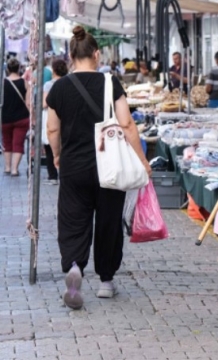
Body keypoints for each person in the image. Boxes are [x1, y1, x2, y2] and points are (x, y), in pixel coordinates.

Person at [46, 26, 152, 310]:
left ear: (70, 56)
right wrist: (142, 159)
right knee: (108, 222)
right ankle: (106, 281)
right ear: (96, 54)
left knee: (73, 221)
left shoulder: (59, 87)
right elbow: (127, 124)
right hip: (110, 167)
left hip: (73, 166)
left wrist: (56, 157)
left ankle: (75, 267)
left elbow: (52, 130)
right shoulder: (110, 83)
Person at [41, 59, 69, 185]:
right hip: (66, 116)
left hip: (51, 116)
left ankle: (53, 176)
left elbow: (44, 103)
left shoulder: (48, 85)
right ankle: (64, 174)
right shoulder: (69, 82)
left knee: (49, 146)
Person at [2, 58, 30, 176]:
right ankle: (14, 169)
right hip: (21, 118)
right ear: (19, 68)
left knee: (7, 143)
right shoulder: (24, 83)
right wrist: (33, 118)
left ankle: (7, 167)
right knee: (18, 144)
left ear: (7, 69)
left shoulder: (2, 83)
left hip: (5, 118)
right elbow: (28, 103)